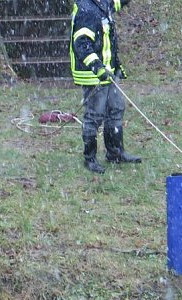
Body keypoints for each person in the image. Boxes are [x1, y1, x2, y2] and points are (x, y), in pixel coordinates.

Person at [69, 0, 141, 174]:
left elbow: (118, 3)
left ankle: (115, 152)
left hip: (109, 72)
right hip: (93, 74)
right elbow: (81, 43)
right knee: (94, 115)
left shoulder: (103, 4)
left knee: (116, 109)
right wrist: (97, 67)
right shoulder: (87, 10)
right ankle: (90, 158)